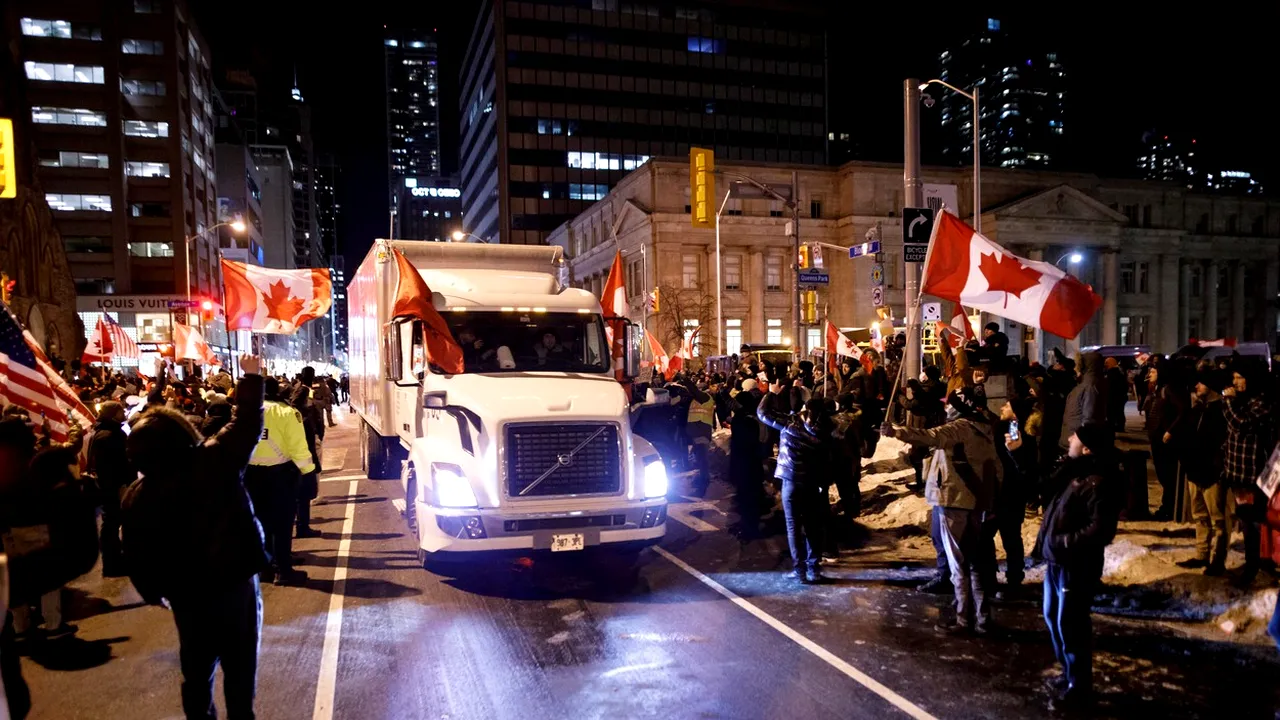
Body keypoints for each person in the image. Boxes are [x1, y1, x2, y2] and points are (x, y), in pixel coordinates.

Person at [122, 354, 269, 720]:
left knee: (196, 671)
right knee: (240, 668)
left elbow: (136, 555)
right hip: (234, 586)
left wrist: (154, 593)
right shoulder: (214, 460)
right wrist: (251, 377)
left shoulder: (137, 496)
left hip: (187, 596)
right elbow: (247, 423)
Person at [885, 388, 1001, 633]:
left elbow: (929, 436)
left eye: (949, 404)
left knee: (958, 563)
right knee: (975, 562)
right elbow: (996, 469)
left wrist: (896, 431)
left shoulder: (959, 428)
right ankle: (982, 618)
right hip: (976, 502)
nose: (946, 407)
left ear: (959, 407)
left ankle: (963, 619)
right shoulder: (985, 428)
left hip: (954, 501)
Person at [1036, 423, 1122, 709]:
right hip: (1057, 561)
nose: (1070, 438)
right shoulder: (1074, 472)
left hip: (1075, 564)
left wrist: (1062, 542)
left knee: (1071, 624)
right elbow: (1040, 487)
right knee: (1053, 616)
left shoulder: (1098, 481)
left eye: (1076, 437)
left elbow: (1101, 529)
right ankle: (1069, 672)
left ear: (1086, 448)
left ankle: (1079, 686)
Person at [758, 382, 831, 584]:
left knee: (793, 526)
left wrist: (771, 394)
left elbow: (762, 413)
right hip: (812, 481)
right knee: (812, 526)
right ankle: (813, 568)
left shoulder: (791, 423)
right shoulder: (827, 428)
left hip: (791, 480)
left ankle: (799, 570)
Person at [245, 376, 315, 585]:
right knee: (282, 525)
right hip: (279, 476)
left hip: (251, 475)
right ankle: (284, 571)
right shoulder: (286, 413)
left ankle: (265, 570)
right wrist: (309, 474)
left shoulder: (246, 411)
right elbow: (298, 448)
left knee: (261, 523)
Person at [1221, 363, 1275, 587]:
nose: (1235, 383)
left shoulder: (1261, 403)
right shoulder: (1242, 402)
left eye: (1239, 377)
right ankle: (1252, 563)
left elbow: (1239, 424)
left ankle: (1257, 566)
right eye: (1234, 378)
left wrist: (1228, 402)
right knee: (1245, 520)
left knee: (1255, 523)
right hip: (1237, 473)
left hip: (1252, 475)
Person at [1177, 370, 1229, 574]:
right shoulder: (1198, 409)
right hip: (1195, 470)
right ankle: (1202, 554)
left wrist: (1217, 467)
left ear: (1212, 387)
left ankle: (1218, 559)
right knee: (1199, 516)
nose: (1196, 386)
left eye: (1201, 383)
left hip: (1211, 473)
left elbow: (1220, 443)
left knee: (1218, 519)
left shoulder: (1221, 411)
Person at [89, 400, 131, 578]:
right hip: (113, 486)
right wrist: (119, 485)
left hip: (115, 485)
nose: (124, 413)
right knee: (111, 523)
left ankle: (116, 559)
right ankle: (111, 564)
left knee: (114, 522)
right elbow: (109, 466)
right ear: (113, 413)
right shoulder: (107, 436)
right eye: (120, 410)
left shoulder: (110, 432)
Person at [1143, 364, 1188, 520]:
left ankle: (1169, 508)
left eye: (1153, 371)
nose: (1150, 374)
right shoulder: (1156, 389)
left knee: (1168, 474)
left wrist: (1170, 430)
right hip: (1156, 437)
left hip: (1165, 439)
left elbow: (1182, 410)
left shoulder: (1168, 389)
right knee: (1162, 474)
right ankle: (1167, 506)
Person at [728, 379, 765, 539]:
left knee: (747, 500)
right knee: (748, 498)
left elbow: (742, 445)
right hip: (750, 465)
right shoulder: (750, 418)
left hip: (746, 466)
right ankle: (747, 526)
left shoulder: (744, 421)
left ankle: (749, 530)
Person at [1059, 351, 1106, 450]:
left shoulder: (1090, 387)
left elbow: (1089, 420)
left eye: (1077, 365)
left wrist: (1081, 443)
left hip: (1077, 445)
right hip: (1074, 440)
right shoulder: (1087, 384)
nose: (1075, 369)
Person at [1103, 357, 1129, 432]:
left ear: (1111, 363)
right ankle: (1120, 426)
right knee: (1120, 412)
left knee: (1112, 413)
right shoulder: (1120, 372)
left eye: (1107, 363)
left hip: (1113, 397)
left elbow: (1110, 386)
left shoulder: (1111, 373)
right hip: (1120, 397)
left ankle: (1114, 427)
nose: (1105, 365)